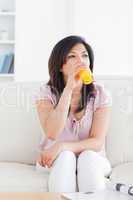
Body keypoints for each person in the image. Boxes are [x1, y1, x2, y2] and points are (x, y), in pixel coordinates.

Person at [35, 35, 112, 193]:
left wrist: (63, 146)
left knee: (87, 157)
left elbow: (97, 142)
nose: (81, 60)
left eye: (84, 55)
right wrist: (69, 89)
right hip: (54, 159)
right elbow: (52, 132)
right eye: (72, 56)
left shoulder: (101, 94)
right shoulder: (45, 94)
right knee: (66, 158)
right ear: (60, 66)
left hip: (93, 158)